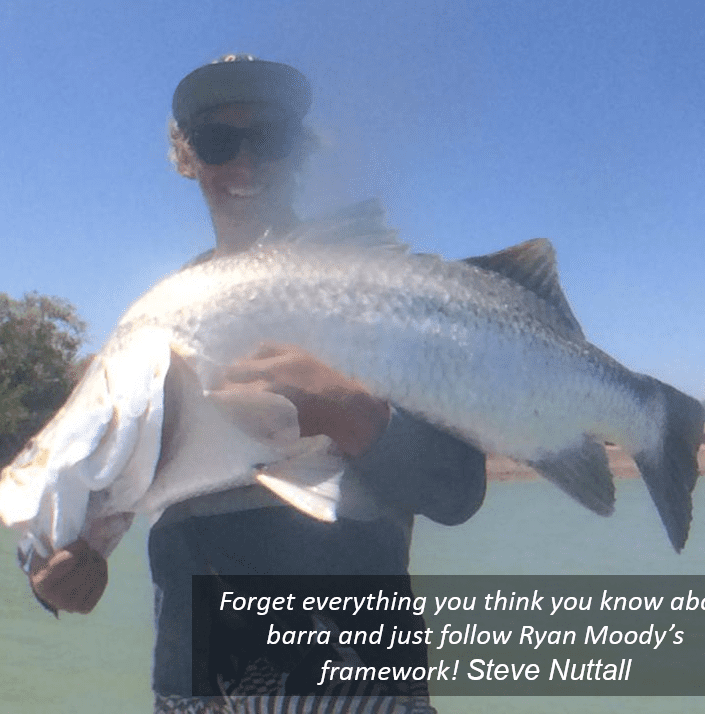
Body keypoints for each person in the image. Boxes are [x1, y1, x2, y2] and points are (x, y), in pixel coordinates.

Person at [28, 55, 487, 713]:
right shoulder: (161, 317)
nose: (243, 165)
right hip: (190, 692)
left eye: (268, 138)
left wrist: (352, 413)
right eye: (217, 141)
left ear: (298, 151)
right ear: (186, 156)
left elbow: (458, 491)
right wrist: (58, 574)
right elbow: (82, 494)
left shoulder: (377, 290)